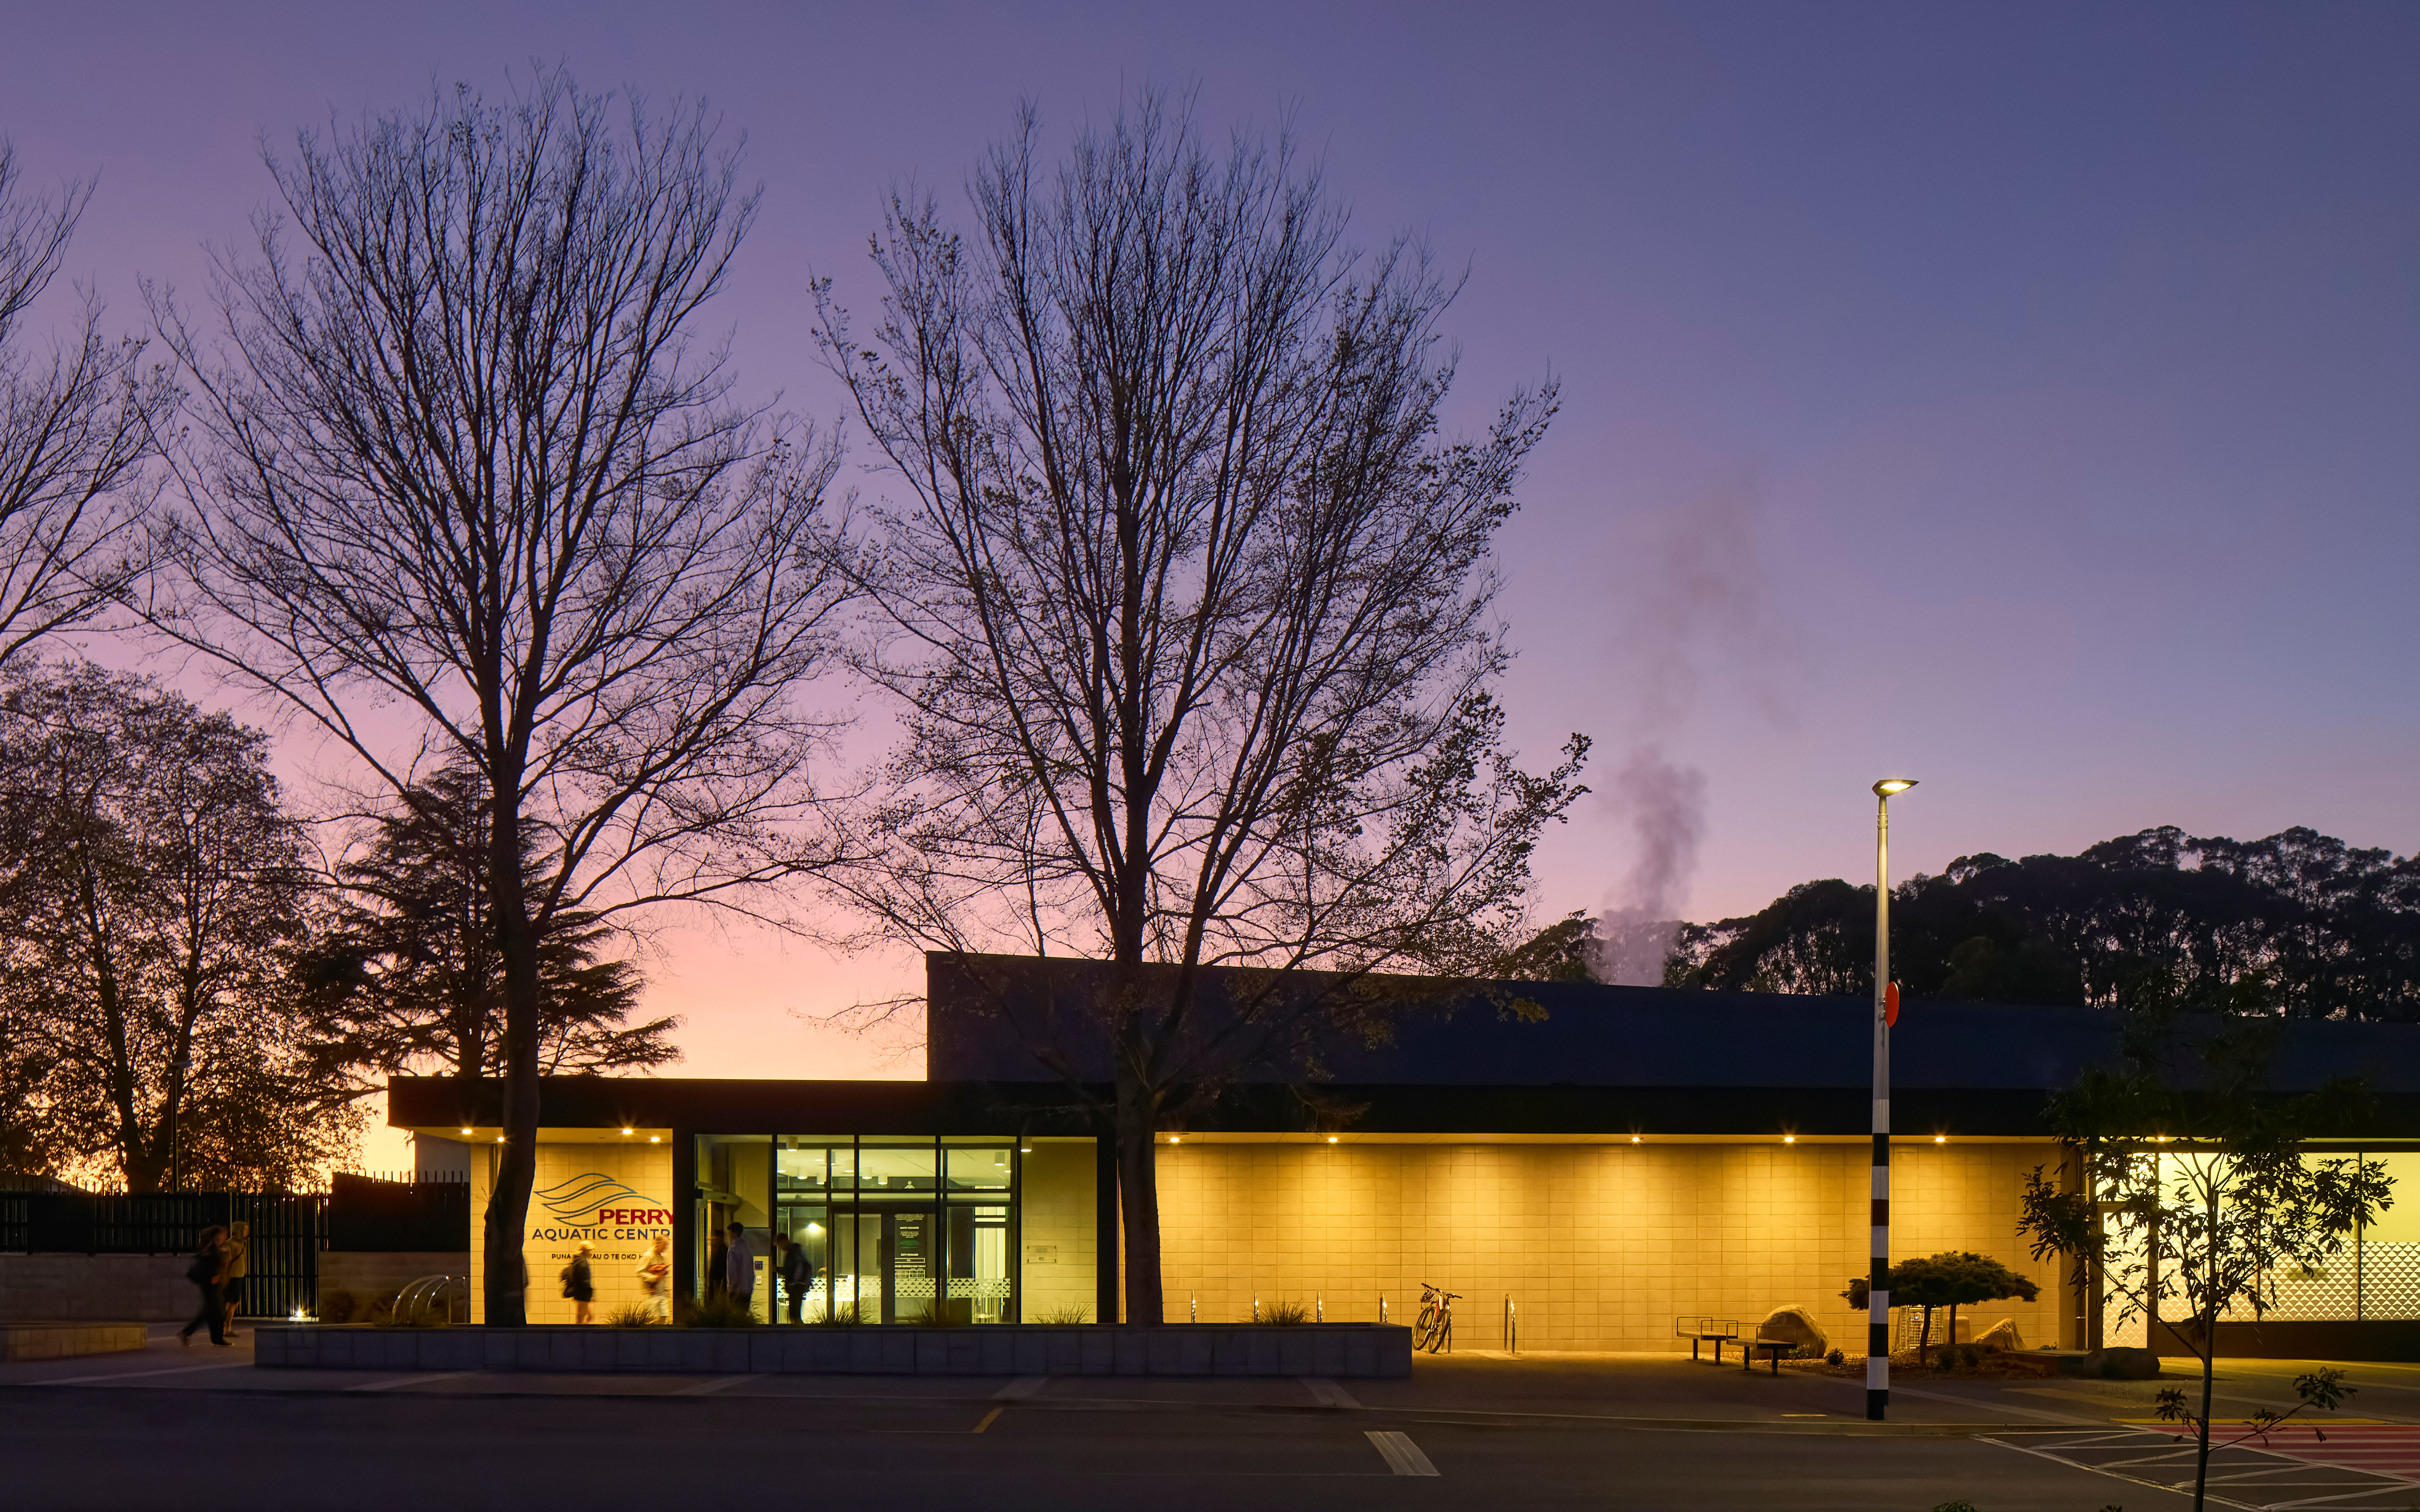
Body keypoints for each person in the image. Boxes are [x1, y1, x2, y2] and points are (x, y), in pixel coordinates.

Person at [178, 1225, 228, 1347]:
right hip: (211, 1283)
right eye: (223, 1235)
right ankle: (215, 1338)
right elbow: (209, 1259)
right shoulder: (211, 1246)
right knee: (216, 1311)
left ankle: (216, 1338)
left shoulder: (212, 1246)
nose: (225, 1237)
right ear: (217, 1235)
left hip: (212, 1282)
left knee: (213, 1311)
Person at [218, 1220, 250, 1339]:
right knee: (231, 1303)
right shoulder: (231, 1243)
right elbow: (226, 1262)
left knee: (232, 1303)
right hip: (233, 1278)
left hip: (238, 1276)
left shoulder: (241, 1243)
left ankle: (227, 1329)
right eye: (245, 1229)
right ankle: (225, 1329)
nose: (247, 1231)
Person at [775, 1231, 814, 1324]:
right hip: (799, 1285)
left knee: (794, 1313)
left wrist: (793, 1282)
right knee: (795, 1312)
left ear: (784, 1242)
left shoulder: (793, 1252)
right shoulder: (797, 1251)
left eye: (780, 1245)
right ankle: (798, 1332)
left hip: (796, 1286)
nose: (780, 1248)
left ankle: (798, 1333)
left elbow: (791, 1270)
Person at [636, 1235, 671, 1323]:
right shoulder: (648, 1256)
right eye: (665, 1245)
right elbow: (639, 1272)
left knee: (664, 1317)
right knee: (652, 1319)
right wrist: (654, 1278)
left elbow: (663, 1274)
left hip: (662, 1293)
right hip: (652, 1294)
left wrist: (666, 1288)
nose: (666, 1248)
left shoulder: (663, 1256)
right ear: (658, 1244)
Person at [723, 1221, 754, 1311]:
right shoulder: (747, 1249)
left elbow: (732, 1272)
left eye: (730, 1233)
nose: (729, 1235)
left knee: (736, 1318)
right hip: (747, 1290)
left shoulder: (733, 1250)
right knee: (744, 1317)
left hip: (737, 1291)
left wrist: (732, 1289)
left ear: (734, 1233)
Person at [562, 1240, 596, 1325]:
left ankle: (580, 1334)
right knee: (583, 1318)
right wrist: (590, 1296)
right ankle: (579, 1336)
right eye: (590, 1251)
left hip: (580, 1294)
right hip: (584, 1295)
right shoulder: (583, 1263)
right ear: (585, 1251)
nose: (591, 1253)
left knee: (585, 1317)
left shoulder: (578, 1261)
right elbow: (585, 1281)